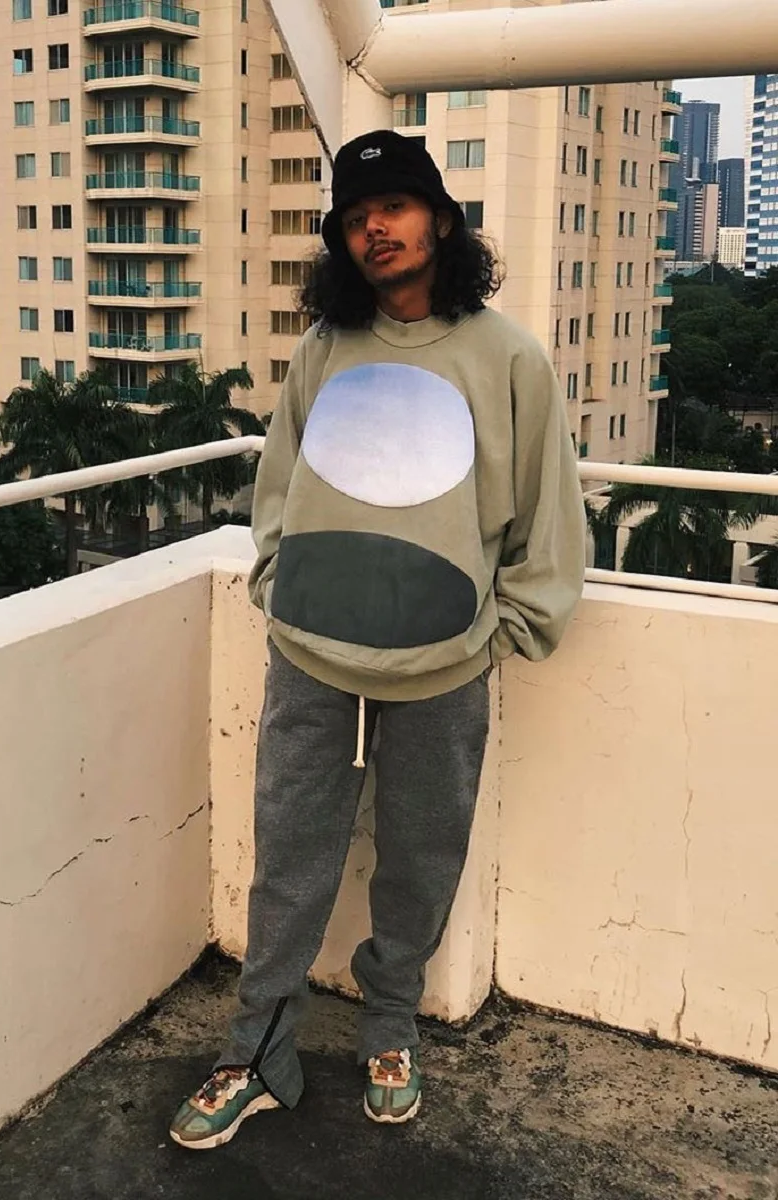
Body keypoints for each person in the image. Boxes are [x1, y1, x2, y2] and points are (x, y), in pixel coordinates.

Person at [170, 129, 585, 1150]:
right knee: (289, 860)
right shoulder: (323, 349)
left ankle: (390, 1027)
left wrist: (507, 629)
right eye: (356, 218)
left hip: (445, 664)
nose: (374, 228)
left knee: (420, 857)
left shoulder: (508, 357)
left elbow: (547, 513)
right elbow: (278, 485)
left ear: (439, 219)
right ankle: (257, 1052)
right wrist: (279, 582)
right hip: (310, 656)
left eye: (393, 207)